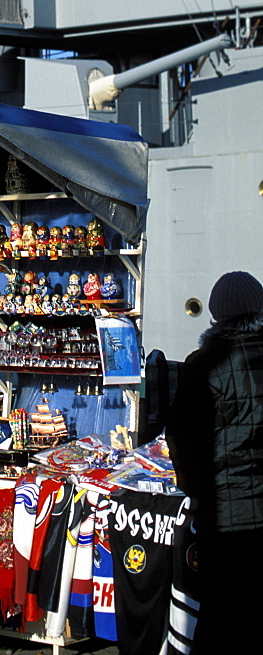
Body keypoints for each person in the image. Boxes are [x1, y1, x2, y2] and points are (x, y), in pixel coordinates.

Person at [166, 270, 263, 653]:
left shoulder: (204, 364)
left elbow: (182, 440)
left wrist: (193, 488)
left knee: (221, 616)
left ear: (217, 314)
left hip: (224, 518)